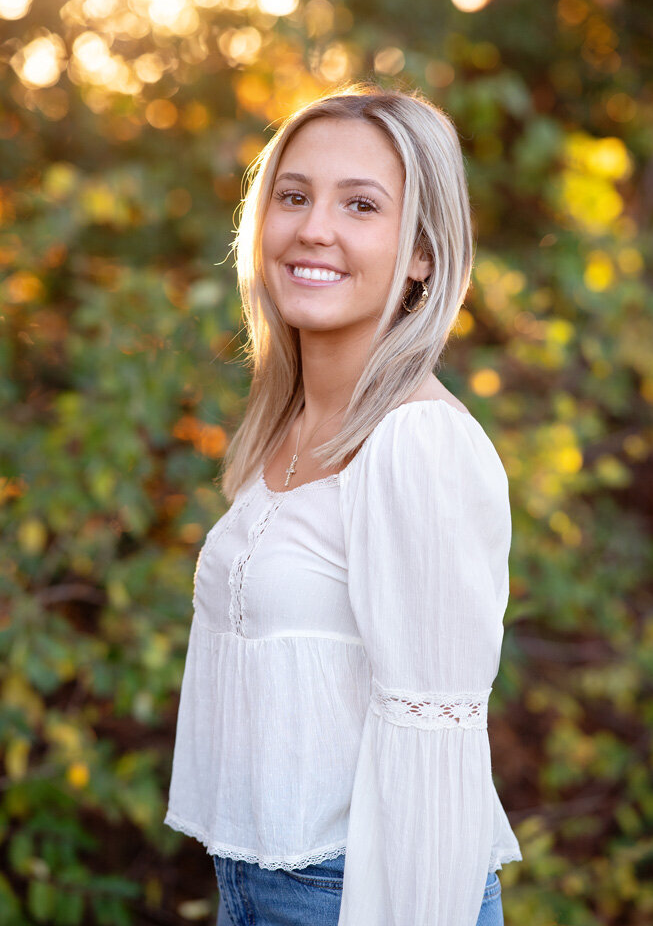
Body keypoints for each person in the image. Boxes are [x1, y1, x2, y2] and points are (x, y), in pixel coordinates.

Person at [164, 83, 522, 925]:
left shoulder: (417, 445)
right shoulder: (283, 427)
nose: (312, 227)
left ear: (424, 254)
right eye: (293, 196)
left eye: (360, 204)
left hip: (364, 896)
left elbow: (435, 747)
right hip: (254, 889)